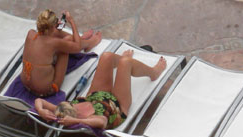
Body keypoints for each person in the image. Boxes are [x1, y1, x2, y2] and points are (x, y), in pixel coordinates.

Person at [33, 49, 167, 130]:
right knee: (125, 63)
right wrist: (76, 121)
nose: (72, 104)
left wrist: (40, 110)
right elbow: (102, 122)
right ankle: (153, 72)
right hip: (117, 106)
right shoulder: (83, 118)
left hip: (95, 96)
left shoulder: (62, 110)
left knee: (106, 56)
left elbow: (40, 101)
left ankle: (123, 61)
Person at [21, 9, 102, 97]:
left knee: (56, 33)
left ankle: (82, 39)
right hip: (47, 90)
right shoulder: (54, 43)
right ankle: (89, 43)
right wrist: (71, 21)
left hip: (26, 84)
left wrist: (55, 28)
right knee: (68, 40)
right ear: (52, 26)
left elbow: (46, 38)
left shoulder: (31, 33)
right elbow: (77, 47)